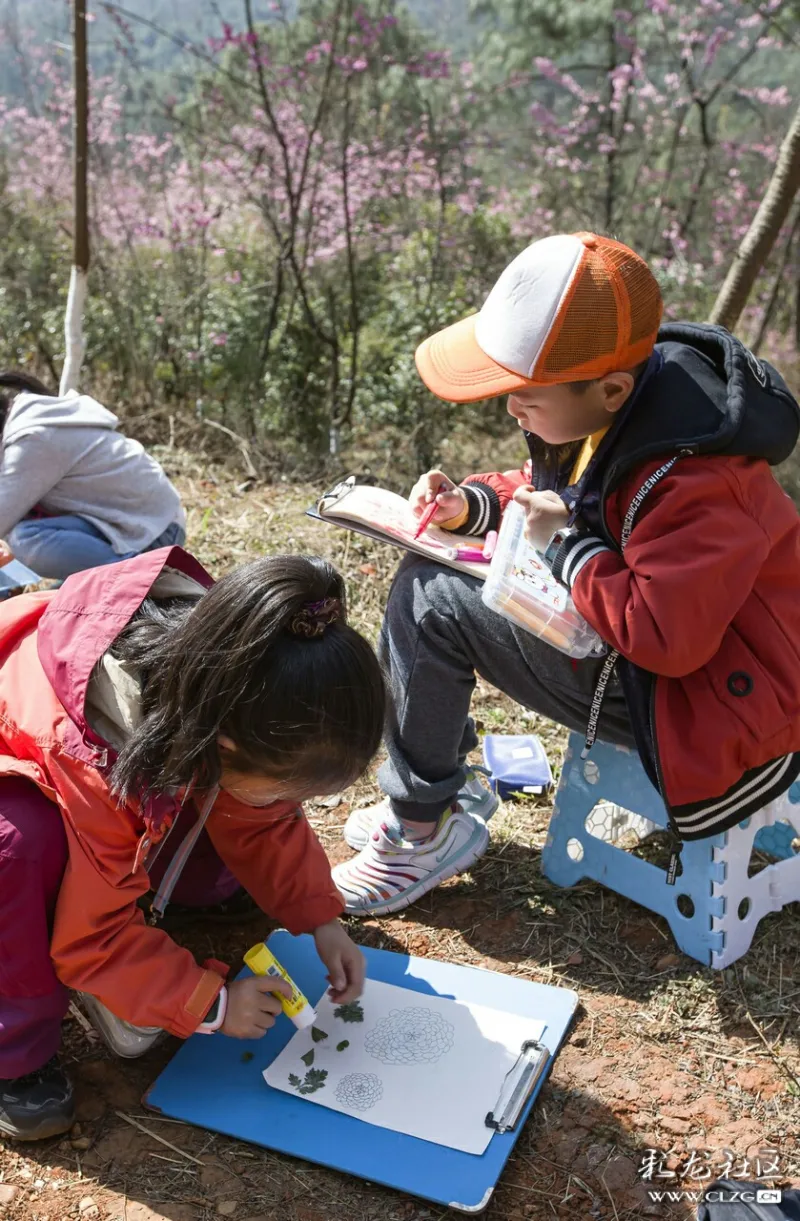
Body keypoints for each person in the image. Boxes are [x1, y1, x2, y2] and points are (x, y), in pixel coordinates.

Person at [332, 230, 800, 916]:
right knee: (433, 578)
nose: (510, 409)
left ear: (609, 388)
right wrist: (475, 505)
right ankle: (440, 791)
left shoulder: (699, 482)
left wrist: (567, 550)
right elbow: (553, 487)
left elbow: (667, 637)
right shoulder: (631, 409)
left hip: (712, 702)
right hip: (683, 671)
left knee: (429, 597)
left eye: (525, 396)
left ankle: (422, 827)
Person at [0, 546, 386, 1140]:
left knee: (222, 825)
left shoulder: (239, 681)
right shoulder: (95, 754)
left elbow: (266, 818)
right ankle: (15, 1055)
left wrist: (320, 918)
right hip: (32, 778)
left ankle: (160, 900)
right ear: (226, 748)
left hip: (142, 767)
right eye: (283, 789)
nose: (287, 803)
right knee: (18, 847)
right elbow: (93, 941)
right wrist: (212, 1004)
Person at [0, 372, 186, 580]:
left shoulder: (33, 438)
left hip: (155, 534)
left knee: (23, 540)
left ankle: (145, 582)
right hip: (130, 525)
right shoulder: (25, 421)